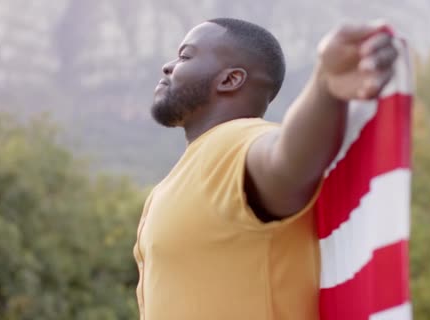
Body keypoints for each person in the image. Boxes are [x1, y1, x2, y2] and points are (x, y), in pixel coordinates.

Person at [133, 17, 397, 320]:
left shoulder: (234, 144)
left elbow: (284, 163)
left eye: (185, 56)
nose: (168, 66)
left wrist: (325, 87)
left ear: (230, 80)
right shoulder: (179, 176)